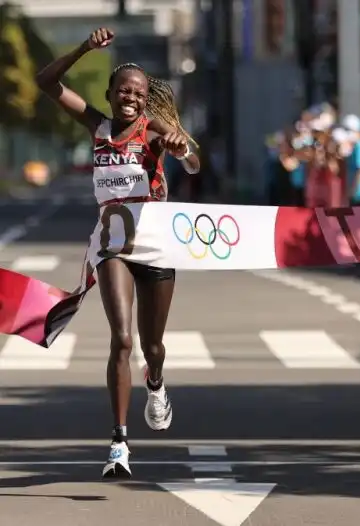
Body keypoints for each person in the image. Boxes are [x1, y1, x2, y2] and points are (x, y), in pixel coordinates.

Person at [36, 27, 201, 479]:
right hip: (113, 248)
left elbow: (192, 161)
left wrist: (179, 148)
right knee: (122, 340)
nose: (130, 97)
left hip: (157, 246)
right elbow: (45, 83)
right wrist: (84, 48)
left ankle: (156, 382)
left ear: (146, 100)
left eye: (138, 93)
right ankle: (119, 442)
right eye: (123, 91)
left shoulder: (154, 129)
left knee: (152, 346)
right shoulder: (99, 126)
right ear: (109, 94)